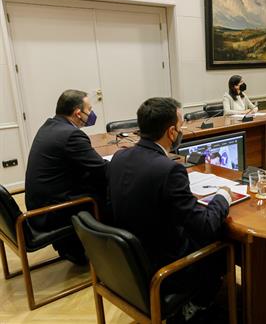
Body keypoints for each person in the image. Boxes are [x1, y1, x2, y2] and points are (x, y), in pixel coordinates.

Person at [108, 97, 233, 321]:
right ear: (172, 132)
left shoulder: (119, 157)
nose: (182, 129)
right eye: (181, 125)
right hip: (163, 267)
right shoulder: (169, 170)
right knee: (223, 242)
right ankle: (196, 305)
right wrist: (223, 196)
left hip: (126, 261)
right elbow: (205, 226)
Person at [25, 89, 108, 265]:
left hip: (39, 205)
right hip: (53, 212)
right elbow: (101, 169)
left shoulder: (49, 126)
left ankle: (74, 247)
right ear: (78, 113)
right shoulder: (71, 135)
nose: (91, 114)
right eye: (89, 110)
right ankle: (110, 253)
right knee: (110, 192)